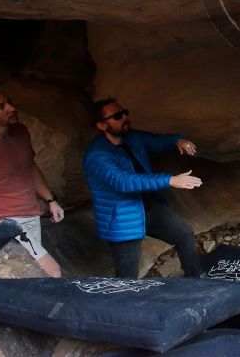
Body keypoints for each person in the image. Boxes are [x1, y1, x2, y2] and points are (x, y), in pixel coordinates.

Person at [83, 98, 203, 278]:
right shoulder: (97, 155)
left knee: (184, 234)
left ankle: (197, 279)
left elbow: (156, 141)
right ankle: (126, 303)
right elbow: (123, 181)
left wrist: (178, 140)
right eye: (117, 116)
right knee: (128, 275)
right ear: (101, 125)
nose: (124, 118)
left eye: (124, 112)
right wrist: (169, 180)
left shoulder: (131, 137)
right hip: (122, 218)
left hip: (147, 207)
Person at [0, 86, 65, 277]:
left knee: (34, 282)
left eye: (8, 102)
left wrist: (51, 200)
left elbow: (28, 166)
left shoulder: (20, 132)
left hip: (29, 217)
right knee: (52, 273)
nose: (11, 108)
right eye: (1, 107)